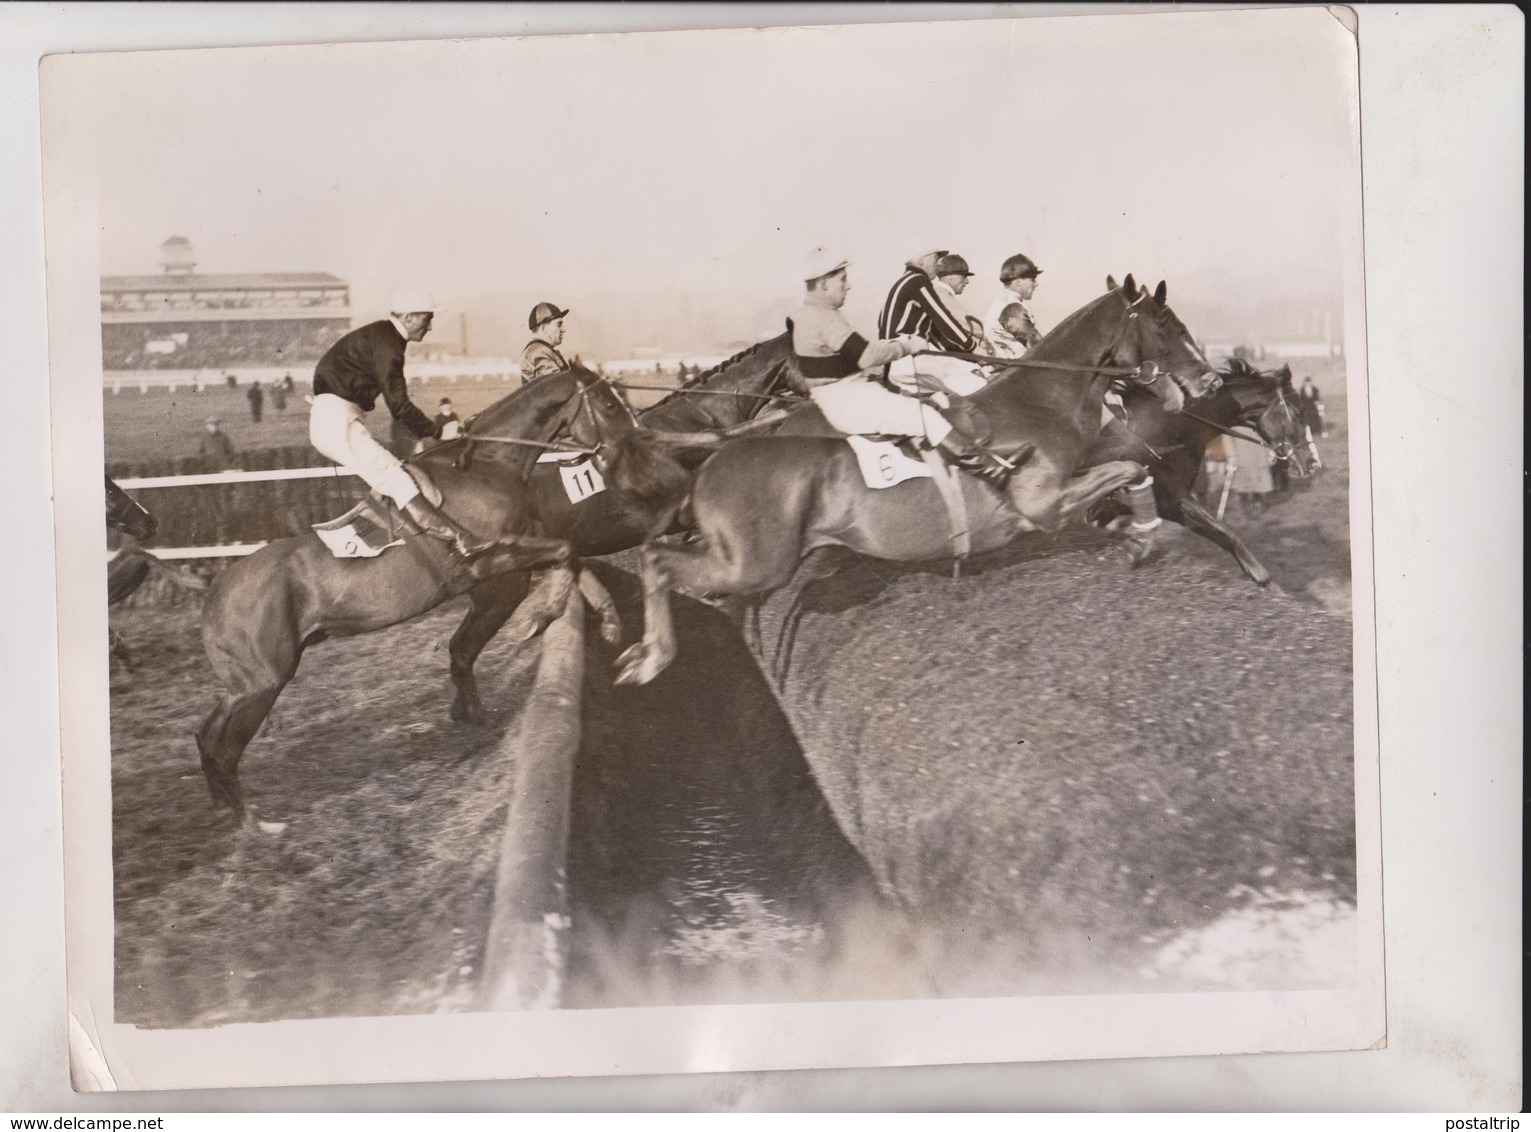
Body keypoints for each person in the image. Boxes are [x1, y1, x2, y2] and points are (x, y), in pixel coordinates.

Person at [793, 248, 1011, 486]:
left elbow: (855, 352)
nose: (848, 286)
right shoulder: (825, 317)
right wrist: (908, 346)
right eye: (842, 279)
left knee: (930, 405)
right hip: (849, 399)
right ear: (824, 283)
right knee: (927, 417)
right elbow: (866, 356)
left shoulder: (808, 315)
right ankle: (992, 473)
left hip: (846, 396)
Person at [308, 290, 492, 559]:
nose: (429, 327)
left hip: (334, 418)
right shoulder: (389, 346)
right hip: (337, 420)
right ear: (408, 317)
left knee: (389, 473)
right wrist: (439, 431)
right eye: (426, 319)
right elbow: (400, 406)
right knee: (395, 477)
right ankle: (459, 540)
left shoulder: (381, 336)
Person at [877, 245, 979, 352]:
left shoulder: (906, 280)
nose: (939, 264)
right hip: (905, 354)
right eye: (936, 259)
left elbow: (935, 333)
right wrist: (972, 347)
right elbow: (942, 318)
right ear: (921, 261)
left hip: (894, 355)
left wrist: (966, 354)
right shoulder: (919, 281)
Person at [984, 253, 1044, 359]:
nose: (1036, 284)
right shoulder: (1011, 307)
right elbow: (1037, 345)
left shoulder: (1003, 301)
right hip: (1012, 371)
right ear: (1018, 283)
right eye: (1033, 279)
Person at [520, 302, 570, 382]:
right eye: (559, 324)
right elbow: (557, 386)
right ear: (544, 328)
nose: (563, 329)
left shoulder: (538, 349)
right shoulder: (539, 352)